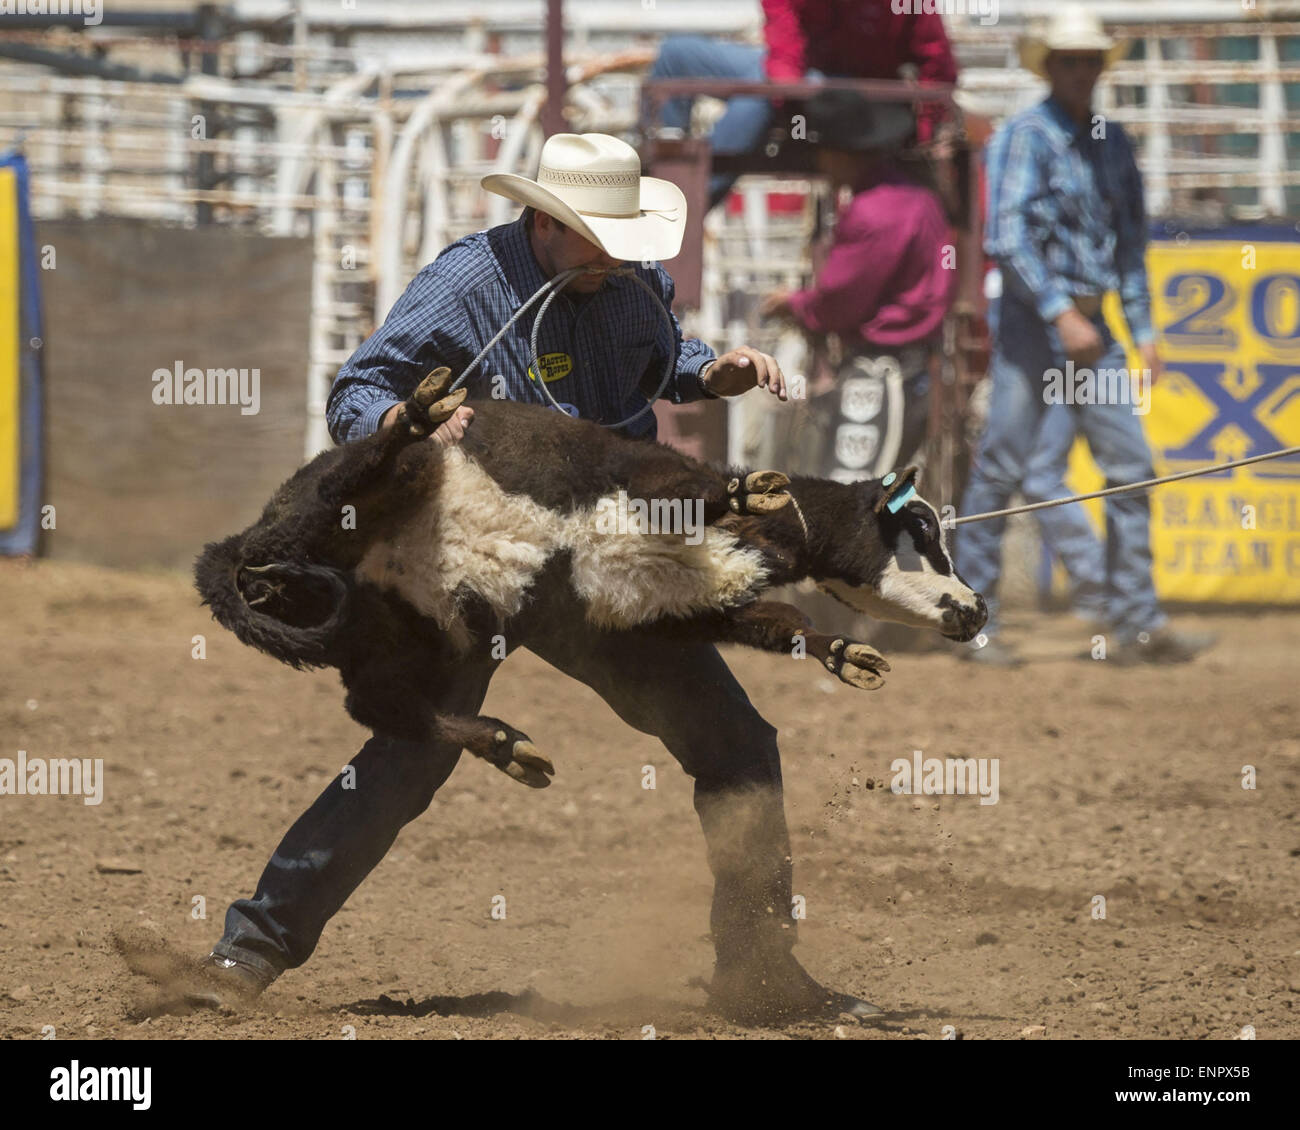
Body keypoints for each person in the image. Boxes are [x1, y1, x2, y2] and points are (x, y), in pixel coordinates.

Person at [195, 132, 884, 1024]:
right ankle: (246, 952)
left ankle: (759, 972)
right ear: (544, 220)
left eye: (619, 236)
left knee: (737, 746)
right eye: (592, 236)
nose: (608, 255)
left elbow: (664, 355)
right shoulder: (466, 284)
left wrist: (714, 372)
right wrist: (406, 420)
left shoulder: (631, 282)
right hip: (487, 557)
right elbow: (354, 393)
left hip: (607, 559)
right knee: (409, 756)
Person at [957, 5, 1212, 666]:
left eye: (1089, 60)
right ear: (1051, 67)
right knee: (1005, 466)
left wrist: (1144, 329)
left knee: (1129, 468)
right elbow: (1005, 238)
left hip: (1091, 325)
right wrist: (1059, 312)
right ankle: (974, 619)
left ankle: (1137, 623)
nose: (1080, 71)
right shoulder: (1024, 135)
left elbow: (1130, 245)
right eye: (1069, 60)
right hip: (1036, 324)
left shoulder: (1113, 143)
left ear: (1099, 67)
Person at [759, 90, 954, 482]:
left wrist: (795, 305)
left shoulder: (872, 212)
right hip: (916, 364)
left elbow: (841, 298)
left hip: (880, 368)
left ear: (842, 153)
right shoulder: (918, 199)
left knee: (854, 489)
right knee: (884, 486)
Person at [649, 0, 957, 208]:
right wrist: (785, 95)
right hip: (802, 81)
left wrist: (925, 129)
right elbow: (784, 58)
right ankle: (668, 167)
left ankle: (682, 206)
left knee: (760, 86)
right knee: (675, 56)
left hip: (855, 96)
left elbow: (937, 63)